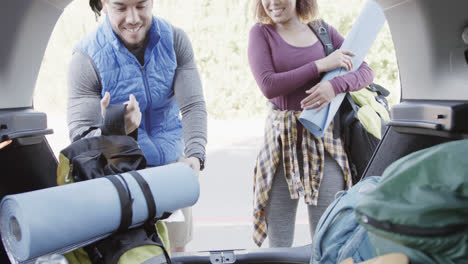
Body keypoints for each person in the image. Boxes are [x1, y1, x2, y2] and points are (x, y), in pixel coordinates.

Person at [67, 0, 207, 252]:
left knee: (175, 252)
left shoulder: (175, 40)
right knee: (139, 255)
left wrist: (196, 157)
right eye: (121, 7)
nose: (133, 18)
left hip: (173, 167)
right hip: (124, 178)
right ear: (104, 4)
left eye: (141, 5)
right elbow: (81, 140)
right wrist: (114, 128)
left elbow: (192, 105)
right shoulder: (85, 58)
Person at [248, 0, 374, 247]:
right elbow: (269, 85)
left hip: (324, 143)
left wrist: (333, 86)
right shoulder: (261, 33)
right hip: (280, 149)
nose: (272, 3)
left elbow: (365, 71)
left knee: (327, 239)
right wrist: (320, 65)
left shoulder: (322, 30)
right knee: (279, 246)